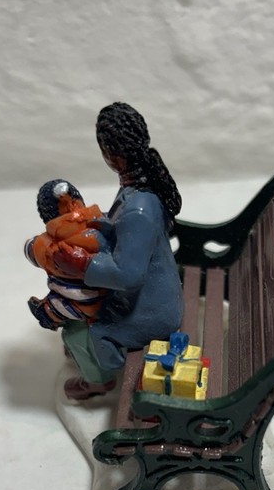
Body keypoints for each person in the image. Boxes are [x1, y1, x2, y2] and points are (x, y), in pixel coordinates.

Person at [55, 102, 184, 400]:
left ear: (109, 154)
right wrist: (98, 223)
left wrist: (83, 265)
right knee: (76, 306)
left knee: (78, 328)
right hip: (154, 294)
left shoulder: (138, 207)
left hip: (151, 311)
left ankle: (98, 379)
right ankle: (87, 355)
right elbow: (127, 235)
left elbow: (128, 275)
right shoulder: (139, 189)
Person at [24, 179, 105, 328]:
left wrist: (32, 245)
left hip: (82, 300)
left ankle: (46, 314)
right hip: (103, 295)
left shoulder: (46, 244)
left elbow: (31, 250)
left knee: (55, 307)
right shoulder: (101, 225)